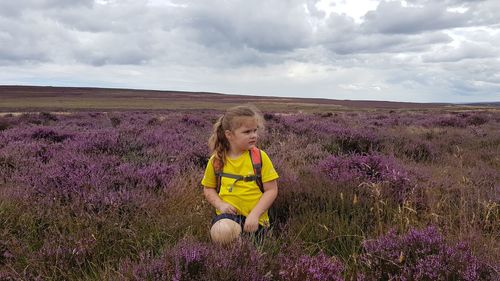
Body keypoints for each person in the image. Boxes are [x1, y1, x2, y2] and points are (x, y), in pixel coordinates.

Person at [201, 105, 279, 242]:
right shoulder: (217, 161)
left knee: (258, 246)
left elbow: (271, 190)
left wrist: (255, 215)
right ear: (229, 135)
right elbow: (208, 188)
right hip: (228, 217)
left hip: (257, 219)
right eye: (247, 132)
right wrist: (220, 205)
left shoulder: (260, 157)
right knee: (221, 232)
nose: (253, 135)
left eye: (255, 130)